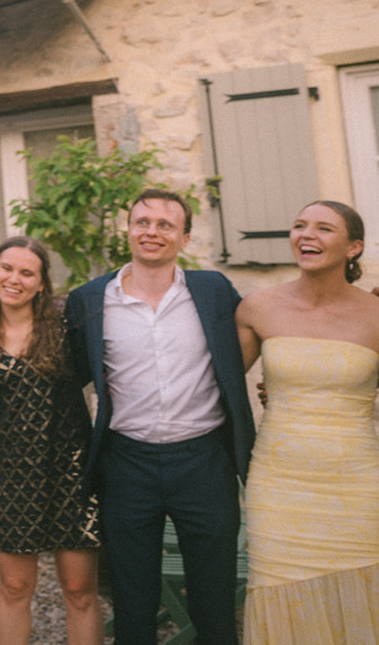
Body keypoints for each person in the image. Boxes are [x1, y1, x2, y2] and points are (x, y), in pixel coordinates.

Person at [64, 188, 256, 645]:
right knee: (133, 600)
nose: (152, 232)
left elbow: (260, 332)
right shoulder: (89, 299)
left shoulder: (213, 291)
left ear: (184, 238)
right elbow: (67, 374)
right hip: (126, 464)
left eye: (165, 224)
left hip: (204, 462)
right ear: (128, 230)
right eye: (142, 222)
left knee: (215, 600)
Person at [236, 200, 379, 644]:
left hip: (357, 485)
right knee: (282, 598)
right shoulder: (257, 308)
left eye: (323, 228)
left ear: (354, 247)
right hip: (279, 485)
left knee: (364, 599)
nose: (306, 235)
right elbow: (211, 389)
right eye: (299, 225)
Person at [0, 236, 100, 645]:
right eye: (7, 268)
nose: (14, 279)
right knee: (14, 587)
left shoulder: (65, 322)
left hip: (72, 468)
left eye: (27, 273)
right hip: (15, 472)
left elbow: (102, 368)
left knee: (79, 589)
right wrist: (3, 420)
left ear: (41, 284)